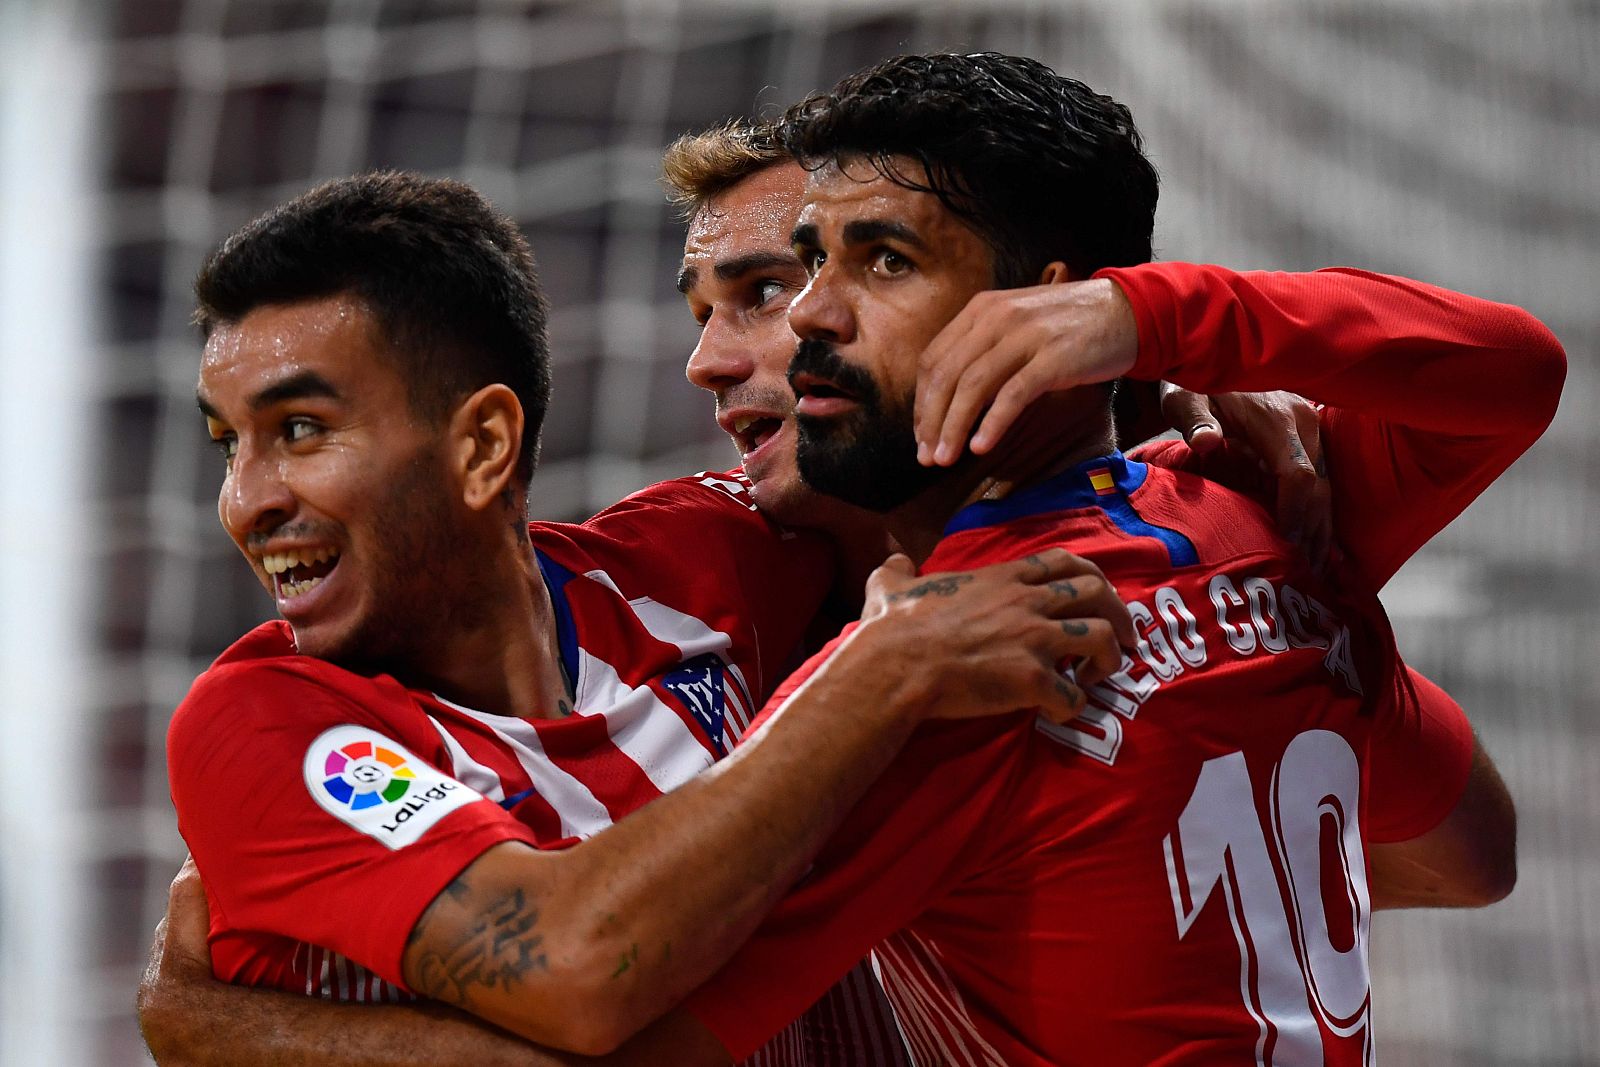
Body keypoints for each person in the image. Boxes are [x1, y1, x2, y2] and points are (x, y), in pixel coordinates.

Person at [651, 52, 1556, 1065]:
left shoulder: (941, 666)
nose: (809, 316)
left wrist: (1145, 320)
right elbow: (1472, 850)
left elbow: (627, 1027)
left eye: (884, 261)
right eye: (810, 264)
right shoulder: (1260, 523)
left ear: (1050, 310)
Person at [150, 169, 1138, 1065]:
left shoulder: (703, 556)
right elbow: (577, 970)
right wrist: (877, 670)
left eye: (300, 431)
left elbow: (919, 466)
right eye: (229, 443)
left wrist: (1173, 412)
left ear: (484, 444)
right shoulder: (265, 724)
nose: (247, 499)